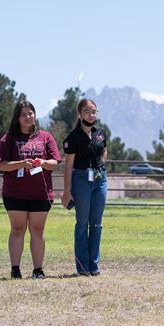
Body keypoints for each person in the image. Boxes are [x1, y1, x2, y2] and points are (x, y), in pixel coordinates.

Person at [0, 100, 61, 279]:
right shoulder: (8, 139)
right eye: (23, 114)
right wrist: (21, 164)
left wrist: (43, 162)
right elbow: (1, 165)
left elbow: (54, 162)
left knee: (38, 230)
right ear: (17, 117)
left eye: (30, 113)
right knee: (17, 229)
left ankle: (38, 270)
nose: (28, 116)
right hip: (14, 192)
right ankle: (15, 270)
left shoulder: (45, 137)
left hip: (41, 193)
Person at [61, 99, 109, 276]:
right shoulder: (72, 138)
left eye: (94, 111)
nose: (92, 115)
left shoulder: (101, 133)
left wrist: (101, 163)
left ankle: (94, 265)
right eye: (88, 111)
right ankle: (82, 267)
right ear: (80, 114)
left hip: (100, 179)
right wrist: (66, 191)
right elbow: (68, 166)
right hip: (81, 179)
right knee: (82, 223)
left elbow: (104, 149)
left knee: (96, 224)